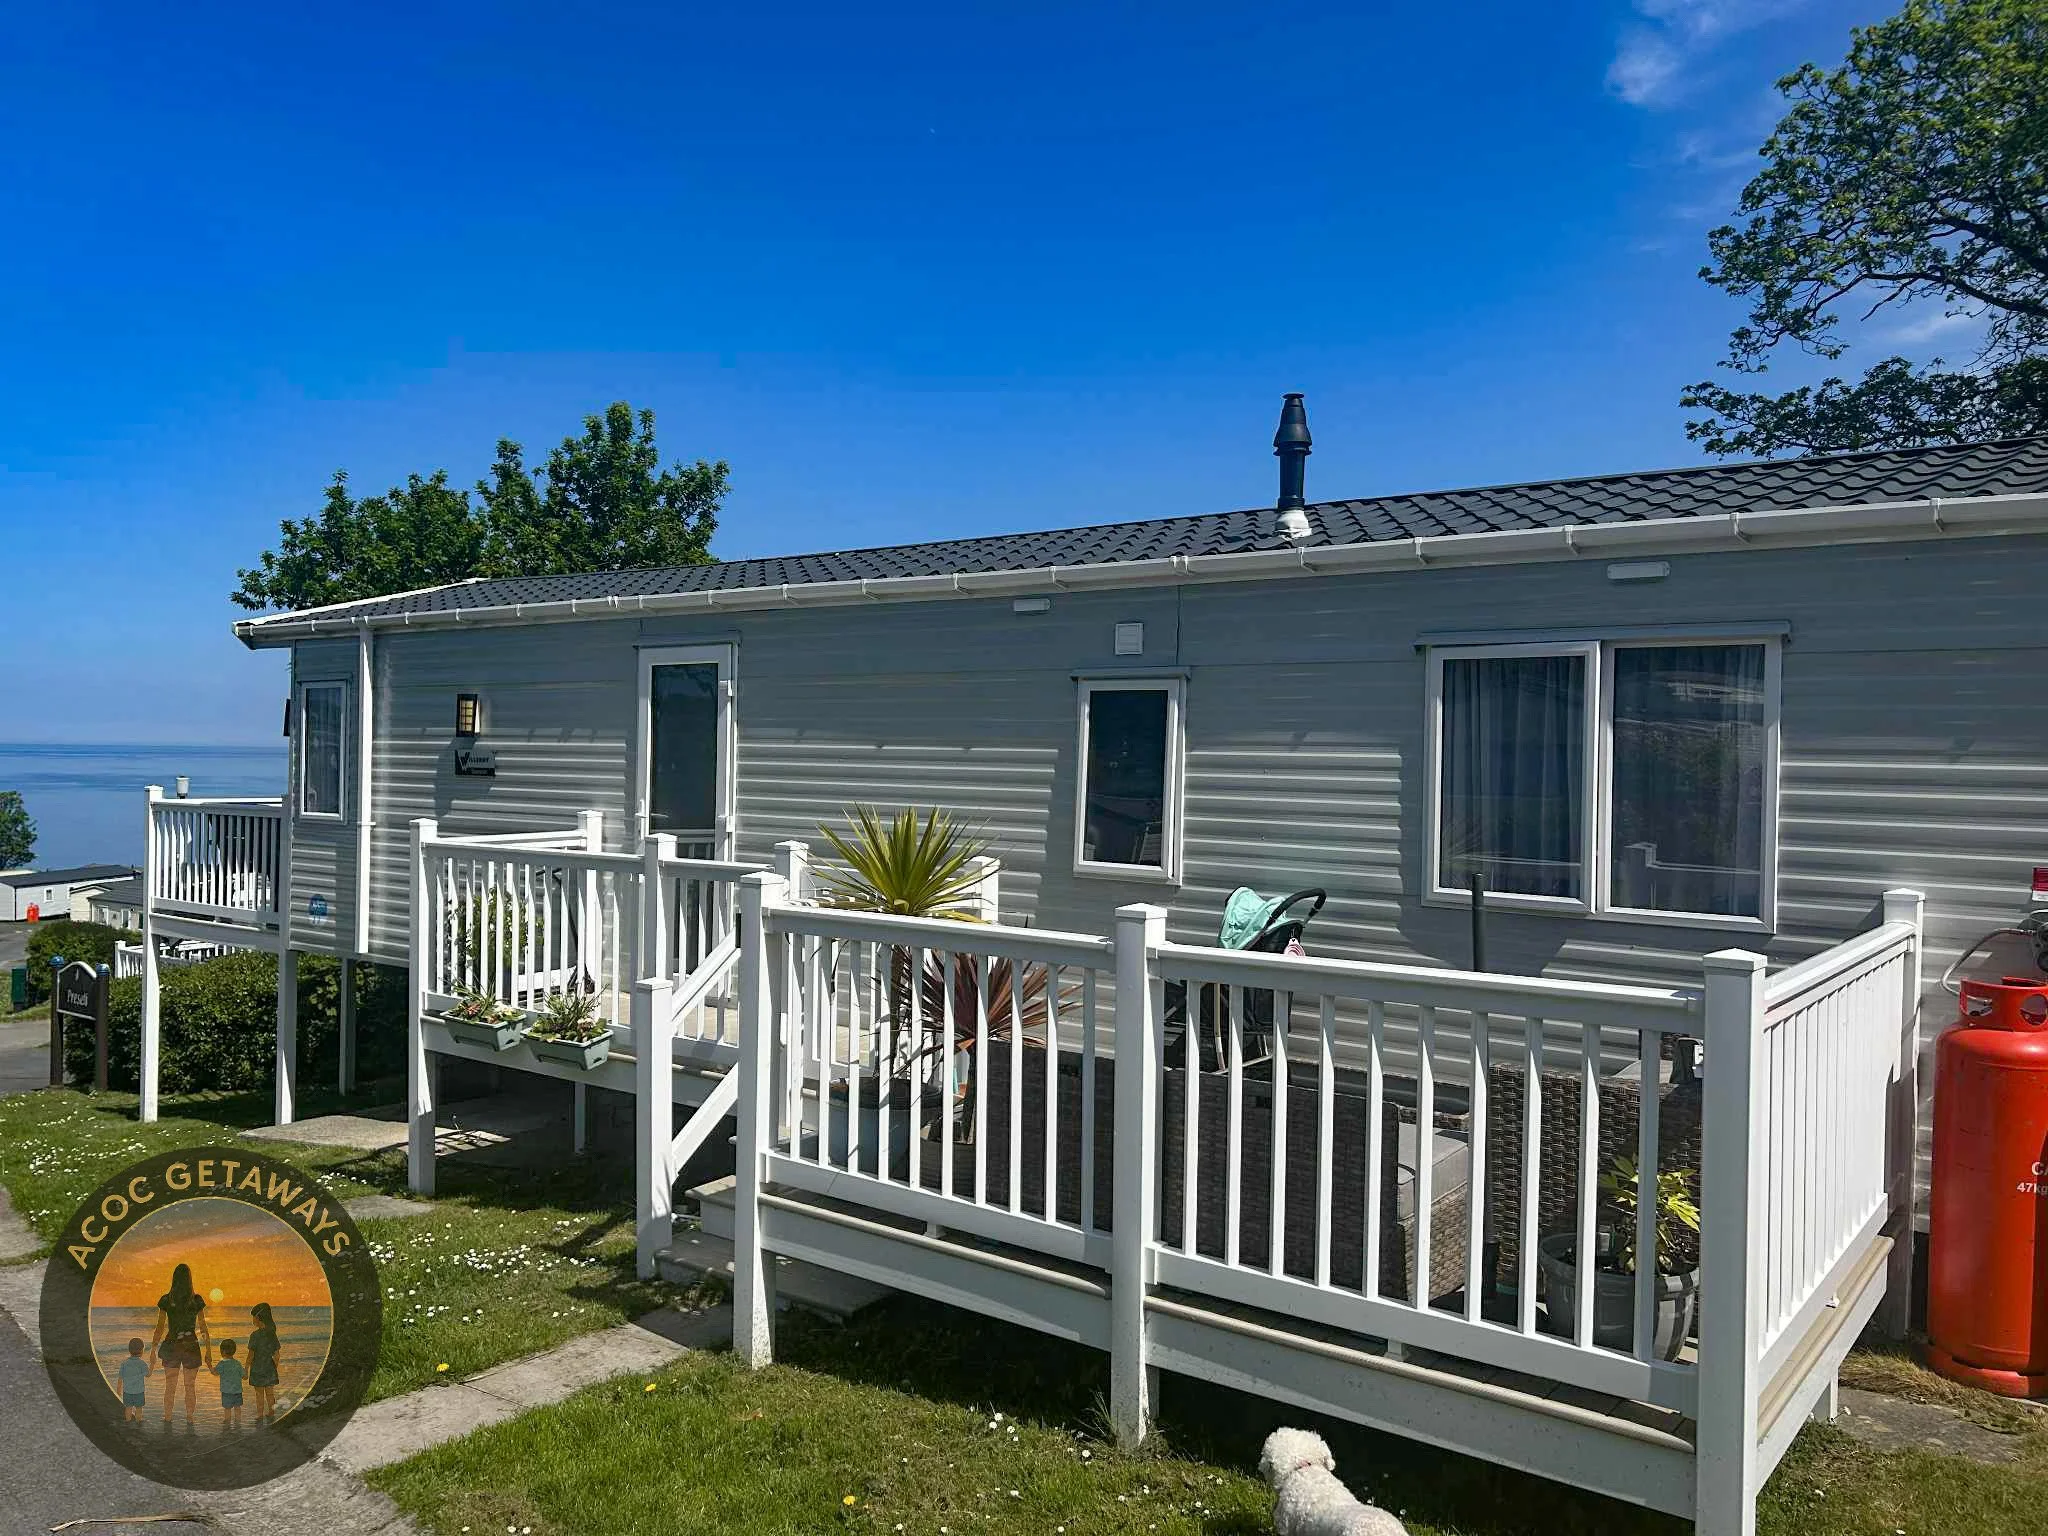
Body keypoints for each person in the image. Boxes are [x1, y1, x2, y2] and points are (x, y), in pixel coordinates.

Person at [146, 1263, 210, 1426]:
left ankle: (168, 1417)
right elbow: (203, 1327)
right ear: (190, 1279)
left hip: (171, 1346)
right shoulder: (196, 1300)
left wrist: (153, 1349)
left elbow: (160, 1327)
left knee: (170, 1386)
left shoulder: (167, 1299)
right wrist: (208, 1350)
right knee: (190, 1386)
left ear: (174, 1279)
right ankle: (189, 1418)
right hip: (191, 1345)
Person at [246, 1302, 280, 1424]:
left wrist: (245, 1369)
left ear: (258, 1318)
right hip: (269, 1368)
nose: (252, 1319)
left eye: (253, 1316)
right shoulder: (272, 1334)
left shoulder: (254, 1335)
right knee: (270, 1393)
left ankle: (260, 1415)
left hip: (257, 1369)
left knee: (259, 1393)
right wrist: (273, 1367)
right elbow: (277, 1355)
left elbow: (251, 1355)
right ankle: (271, 1412)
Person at [211, 1337, 244, 1428]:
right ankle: (238, 1424)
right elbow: (244, 1376)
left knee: (227, 1409)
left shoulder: (222, 1364)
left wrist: (209, 1365)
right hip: (237, 1391)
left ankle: (227, 1425)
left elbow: (215, 1373)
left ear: (223, 1352)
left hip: (226, 1392)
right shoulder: (237, 1363)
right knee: (237, 1408)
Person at [117, 1338, 151, 1423]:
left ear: (129, 1350)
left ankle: (128, 1421)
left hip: (127, 1391)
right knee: (139, 1408)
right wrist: (153, 1364)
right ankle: (138, 1422)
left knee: (128, 1408)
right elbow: (148, 1374)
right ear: (142, 1350)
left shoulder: (124, 1364)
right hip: (139, 1392)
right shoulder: (142, 1364)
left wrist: (118, 1391)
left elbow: (120, 1378)